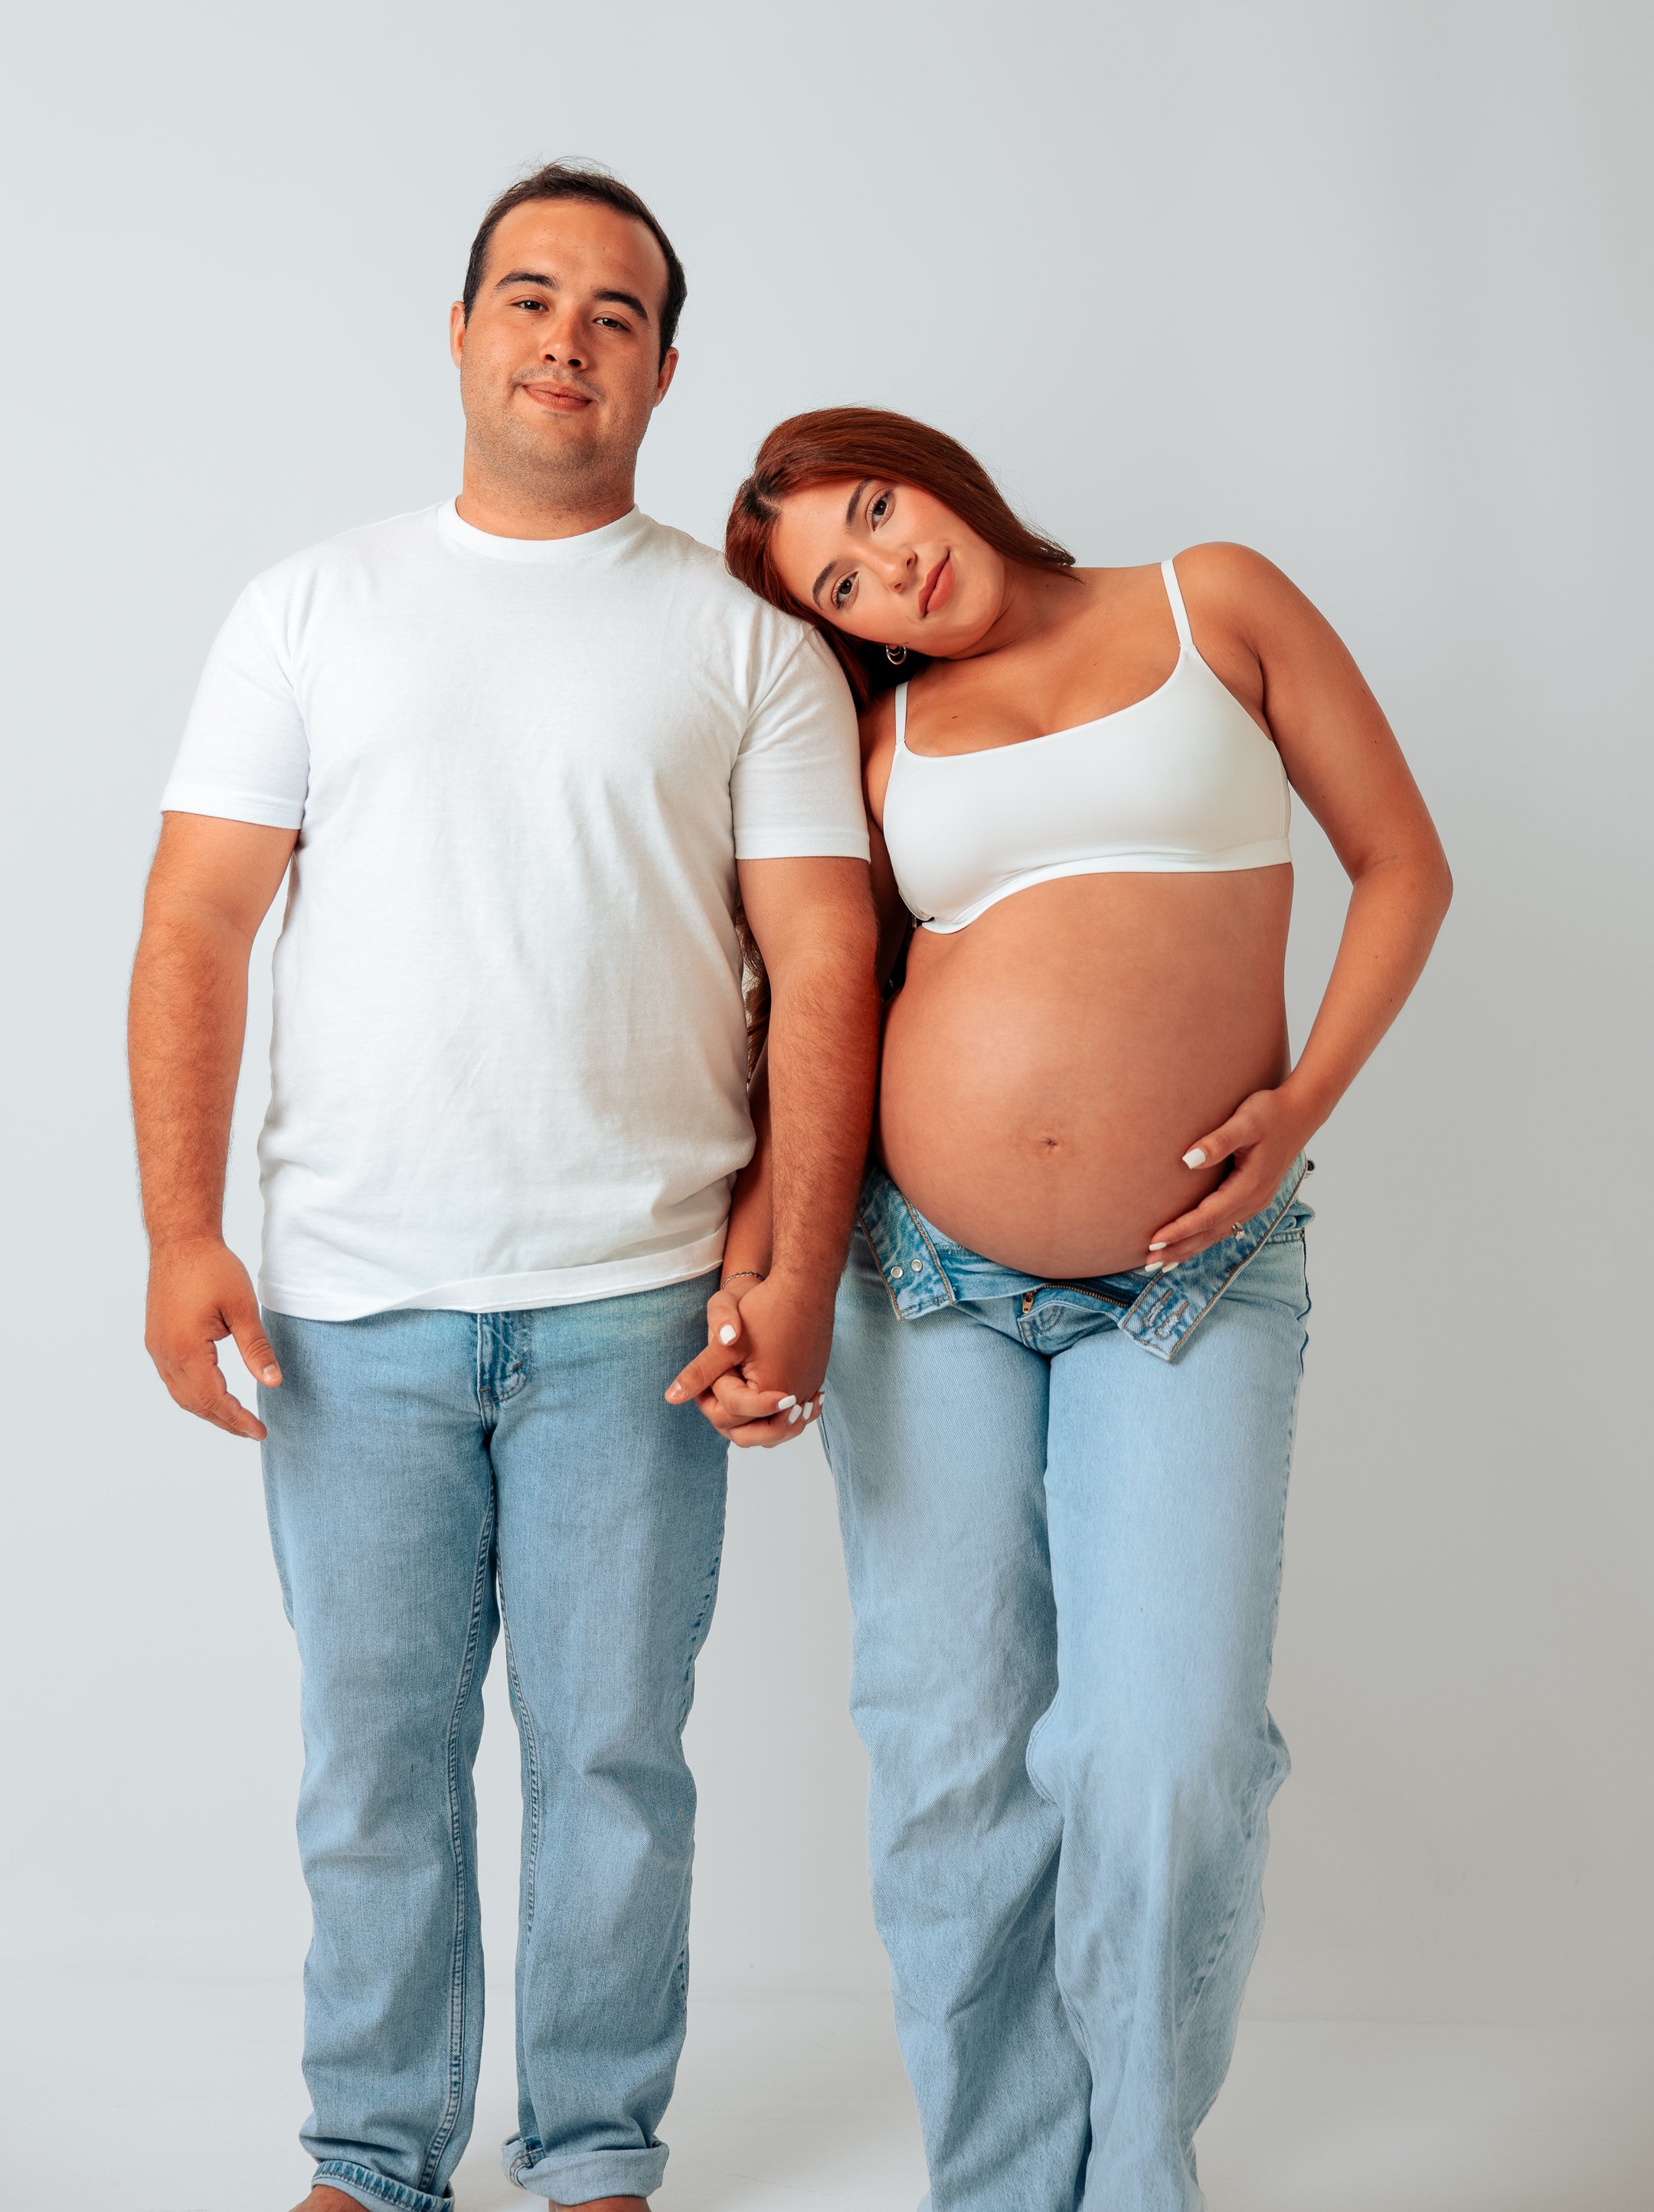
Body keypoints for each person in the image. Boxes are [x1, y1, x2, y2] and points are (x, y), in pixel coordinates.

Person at [128, 177, 879, 2212]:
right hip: (348, 1310)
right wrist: (182, 1228)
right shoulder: (309, 608)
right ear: (456, 333)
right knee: (375, 1781)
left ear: (660, 369)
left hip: (638, 1312)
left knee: (614, 1772)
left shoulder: (748, 653)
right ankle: (372, 2165)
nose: (568, 334)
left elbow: (827, 964)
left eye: (617, 312)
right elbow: (200, 921)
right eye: (529, 297)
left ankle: (599, 2157)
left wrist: (798, 1263)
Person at [670, 407, 1452, 2210]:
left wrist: (1300, 1106)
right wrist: (760, 1269)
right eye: (843, 583)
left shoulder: (1213, 600)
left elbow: (1402, 862)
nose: (890, 565)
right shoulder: (874, 742)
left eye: (876, 508)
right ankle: (1007, 2186)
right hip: (922, 1284)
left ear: (927, 465)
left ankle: (1137, 2164)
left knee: (1163, 1755)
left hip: (1193, 1282)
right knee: (951, 1761)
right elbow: (814, 1015)